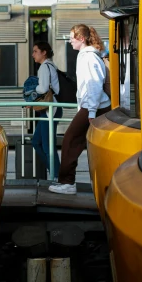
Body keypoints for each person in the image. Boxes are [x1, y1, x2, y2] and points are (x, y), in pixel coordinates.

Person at [49, 24, 110, 195]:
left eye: (71, 38)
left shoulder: (88, 58)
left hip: (94, 107)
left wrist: (90, 112)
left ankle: (67, 183)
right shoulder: (88, 56)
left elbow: (93, 86)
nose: (69, 42)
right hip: (94, 106)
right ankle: (67, 181)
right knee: (75, 141)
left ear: (81, 39)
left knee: (70, 140)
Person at [31, 41, 62, 178]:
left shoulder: (44, 67)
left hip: (50, 109)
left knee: (47, 146)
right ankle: (55, 172)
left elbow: (43, 89)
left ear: (44, 52)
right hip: (51, 108)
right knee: (37, 142)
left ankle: (57, 176)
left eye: (35, 51)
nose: (33, 55)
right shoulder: (51, 65)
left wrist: (33, 89)